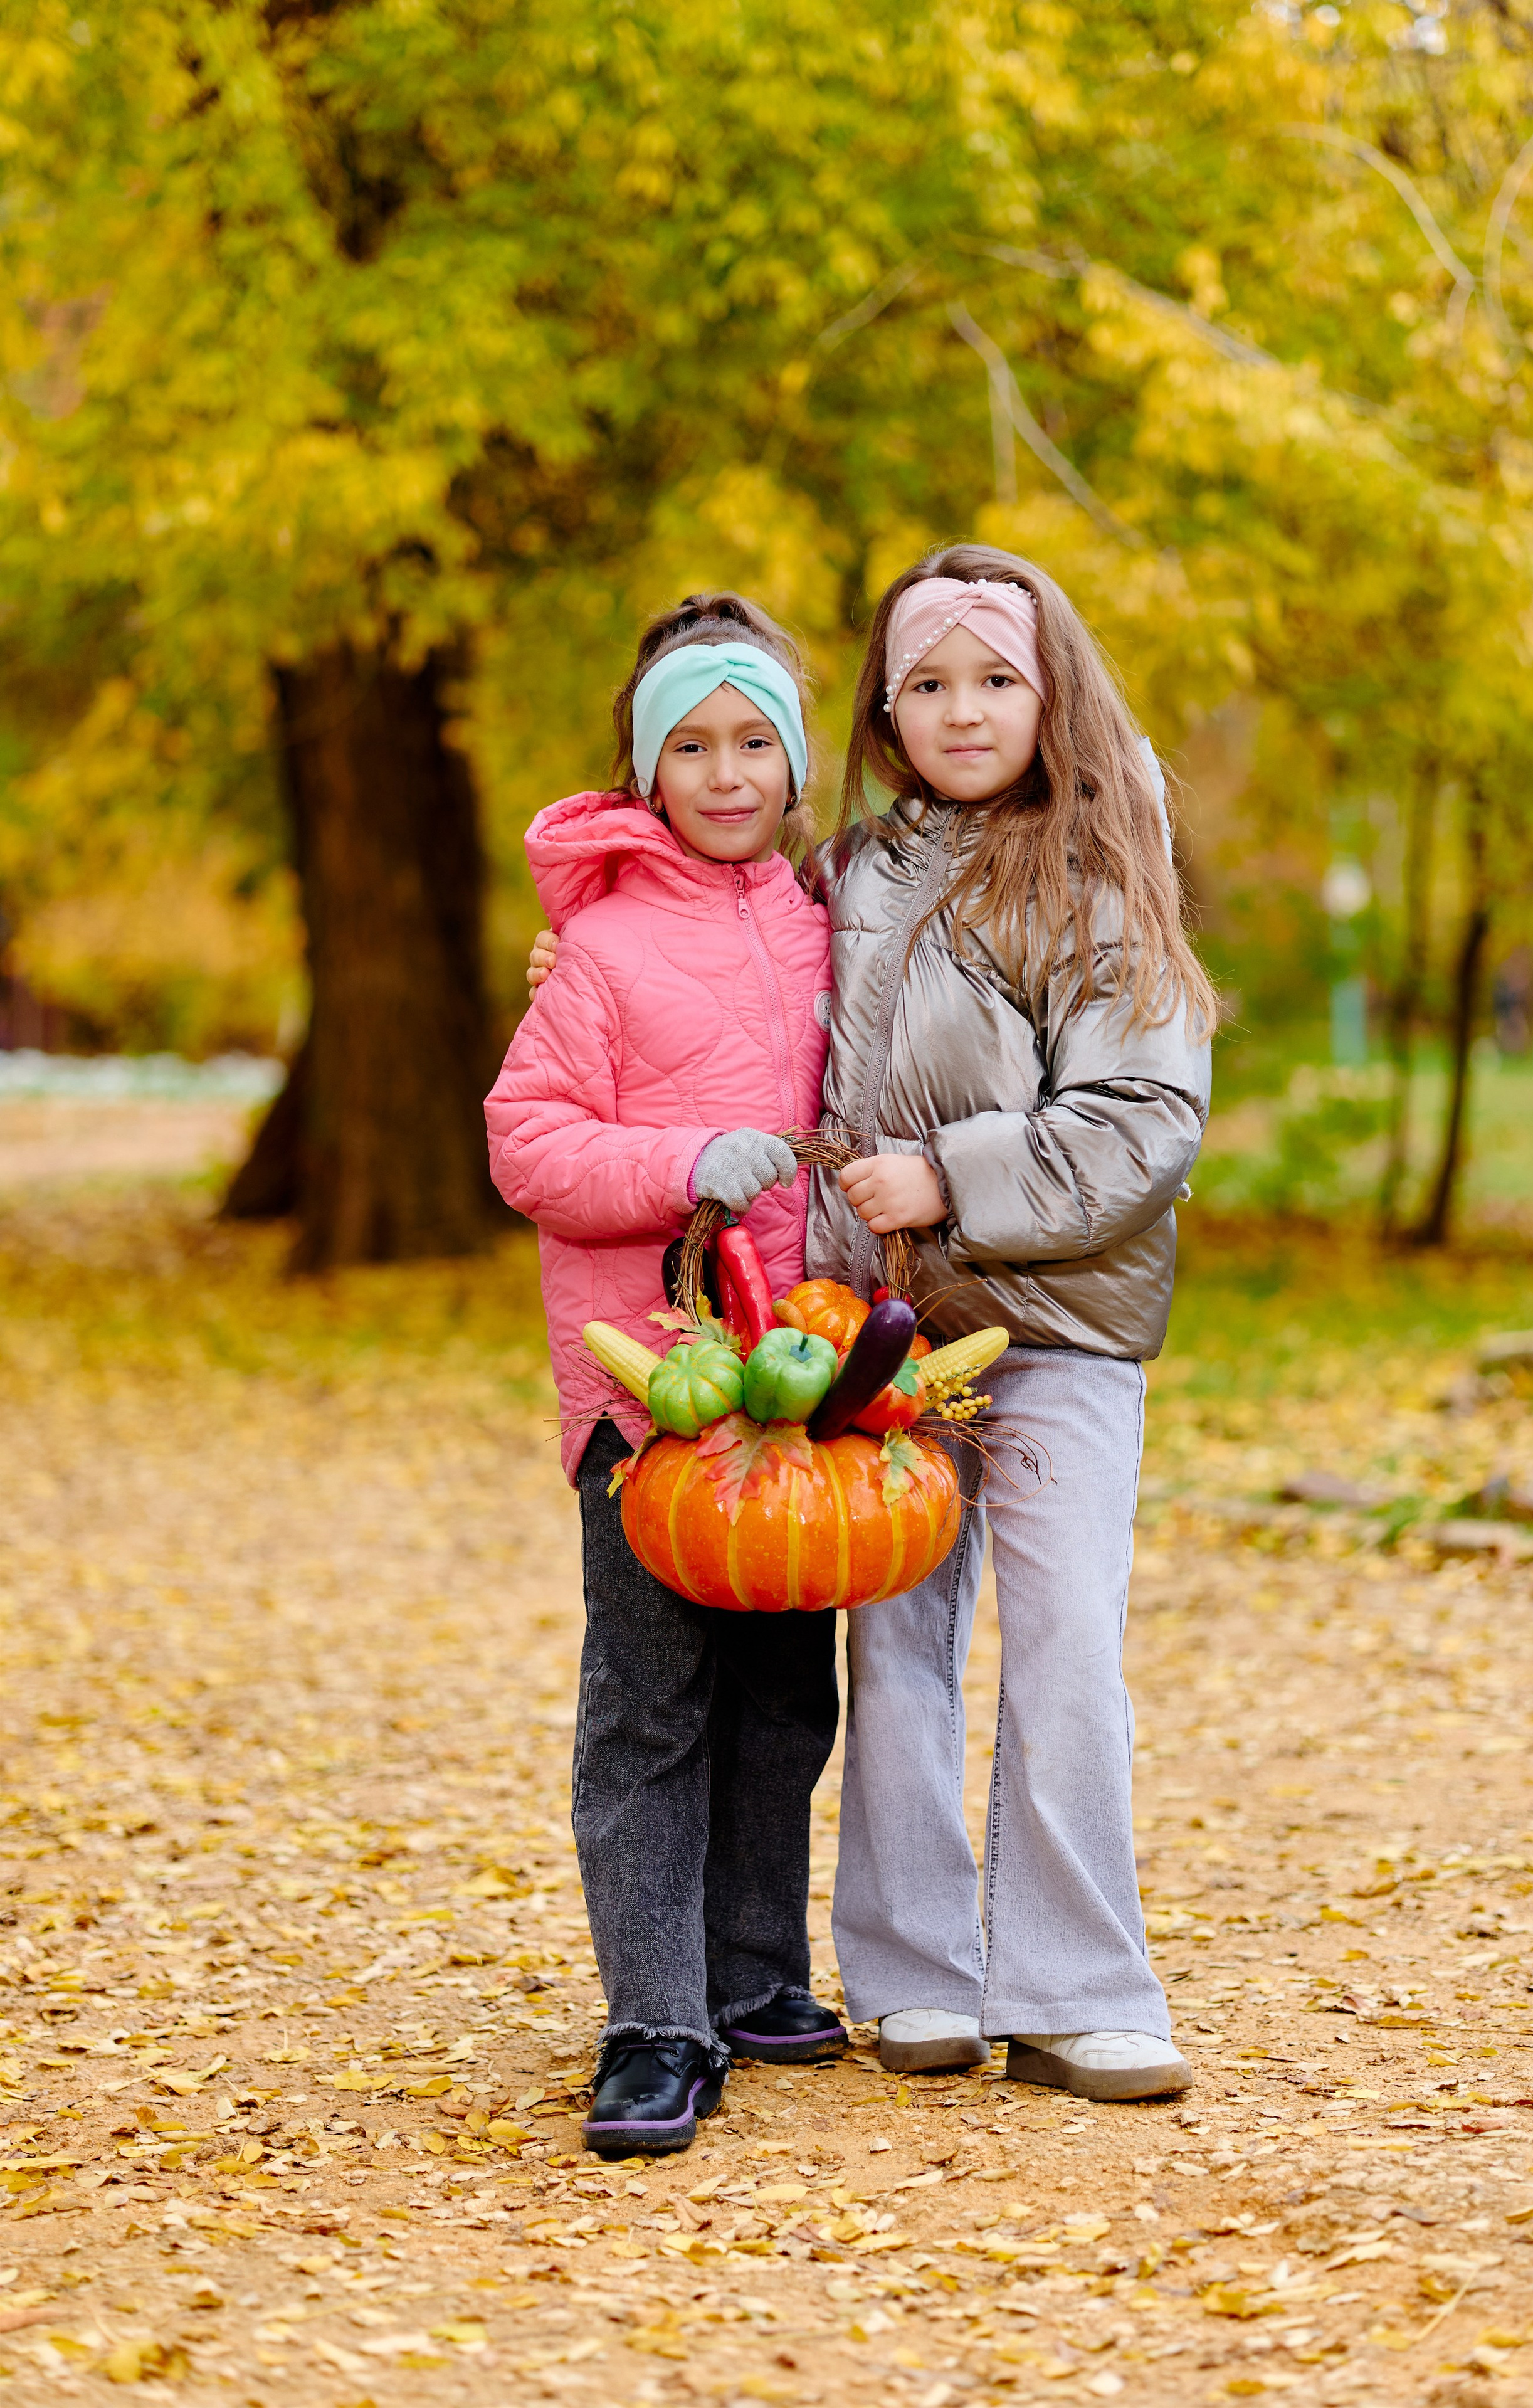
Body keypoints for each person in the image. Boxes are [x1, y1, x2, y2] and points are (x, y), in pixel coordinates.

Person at [811, 545, 1214, 2098]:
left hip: (1053, 1331)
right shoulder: (849, 877)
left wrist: (949, 1179)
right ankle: (915, 1974)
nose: (961, 709)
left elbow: (1141, 1119)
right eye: (926, 683)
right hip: (884, 1336)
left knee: (1058, 1648)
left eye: (995, 678)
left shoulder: (1102, 874)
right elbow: (740, 1009)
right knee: (894, 1641)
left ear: (1052, 694)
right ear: (885, 708)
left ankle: (1077, 1982)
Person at [485, 592, 843, 2158]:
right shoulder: (605, 953)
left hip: (799, 1387)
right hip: (650, 1391)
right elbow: (529, 1142)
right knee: (652, 1702)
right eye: (687, 745)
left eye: (751, 739)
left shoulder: (832, 923)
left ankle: (755, 1972)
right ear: (646, 773)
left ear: (795, 761)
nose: (722, 769)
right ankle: (653, 2019)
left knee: (782, 1696)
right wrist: (684, 1156)